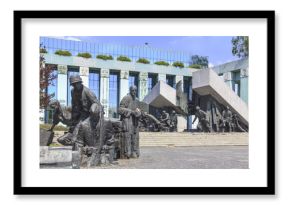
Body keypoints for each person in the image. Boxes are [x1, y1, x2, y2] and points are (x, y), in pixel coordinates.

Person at [57, 74, 101, 146]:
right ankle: (75, 142)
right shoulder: (73, 91)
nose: (74, 86)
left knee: (79, 127)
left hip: (90, 114)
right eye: (73, 84)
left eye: (76, 84)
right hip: (81, 113)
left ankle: (76, 142)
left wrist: (97, 115)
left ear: (80, 83)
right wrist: (74, 116)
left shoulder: (87, 91)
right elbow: (74, 104)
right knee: (75, 126)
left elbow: (97, 104)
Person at [118, 85, 141, 159]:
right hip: (128, 121)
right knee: (127, 137)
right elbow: (120, 109)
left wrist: (139, 113)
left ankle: (134, 151)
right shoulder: (126, 98)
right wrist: (131, 112)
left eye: (135, 90)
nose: (134, 92)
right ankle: (127, 152)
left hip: (135, 121)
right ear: (130, 90)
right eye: (132, 90)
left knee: (135, 137)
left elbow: (139, 110)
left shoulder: (137, 100)